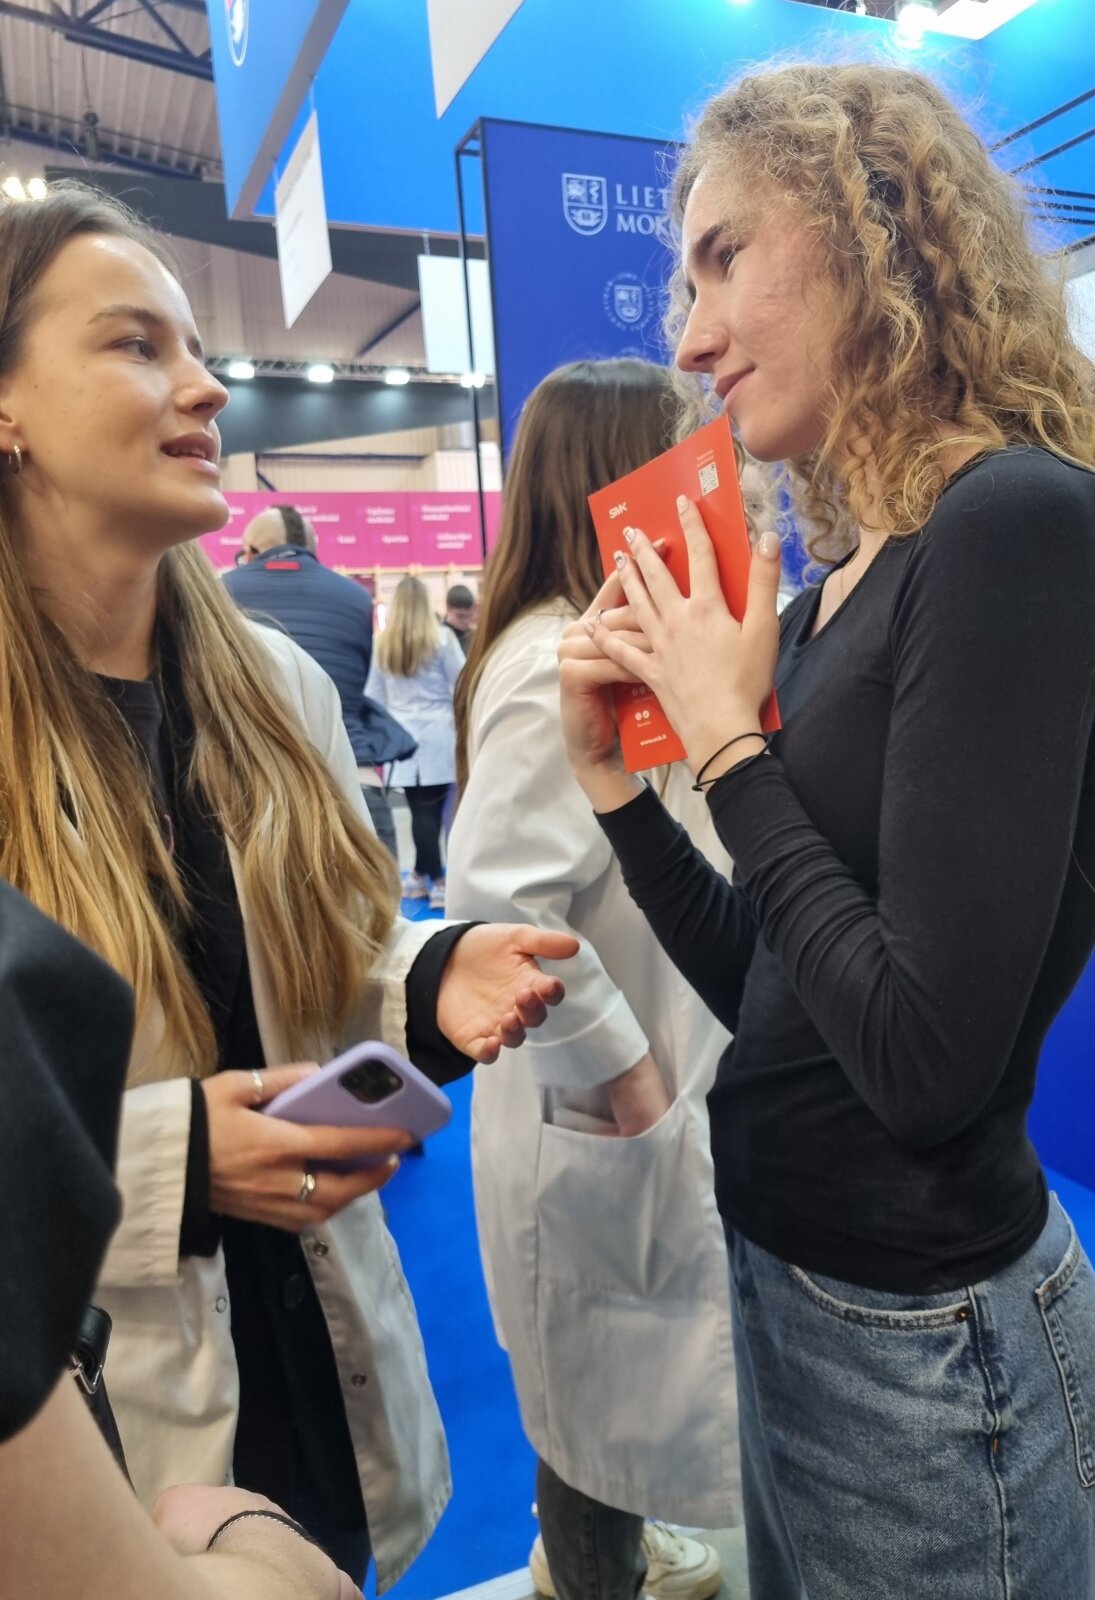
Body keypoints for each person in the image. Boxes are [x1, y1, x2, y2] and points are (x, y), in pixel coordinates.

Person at [557, 62, 1095, 1600]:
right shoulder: (840, 584)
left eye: (724, 258)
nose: (689, 336)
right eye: (684, 280)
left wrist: (728, 747)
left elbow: (921, 1063)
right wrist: (619, 790)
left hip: (927, 1347)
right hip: (801, 1287)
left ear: (876, 229)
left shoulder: (1015, 524)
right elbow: (778, 994)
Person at [0, 181, 577, 1593]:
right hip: (99, 1422)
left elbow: (333, 955)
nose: (204, 388)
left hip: (319, 1349)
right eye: (136, 344)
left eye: (197, 349)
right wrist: (175, 1163)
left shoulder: (271, 687)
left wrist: (430, 976)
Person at [449, 359, 734, 1600]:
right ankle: (585, 1575)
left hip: (641, 1078)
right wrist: (626, 1078)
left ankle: (607, 1548)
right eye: (685, 455)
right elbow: (500, 906)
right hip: (598, 1092)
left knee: (611, 1377)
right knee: (590, 1390)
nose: (715, 483)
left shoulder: (605, 636)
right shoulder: (545, 662)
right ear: (618, 476)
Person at [0, 877, 365, 1600]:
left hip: (295, 1333)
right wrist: (273, 1561)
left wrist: (428, 976)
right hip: (145, 1408)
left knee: (341, 1518)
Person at [223, 504, 411, 855]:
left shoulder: (220, 593)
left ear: (249, 552)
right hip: (356, 781)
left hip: (257, 792)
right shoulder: (356, 597)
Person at [367, 576, 464, 908]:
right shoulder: (443, 639)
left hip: (401, 738)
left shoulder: (382, 643)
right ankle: (438, 881)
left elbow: (373, 696)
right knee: (433, 813)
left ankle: (422, 875)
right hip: (440, 734)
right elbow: (460, 686)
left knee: (419, 810)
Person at [444, 582, 478, 653]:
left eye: (468, 616)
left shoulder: (471, 636)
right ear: (448, 609)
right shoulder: (441, 637)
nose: (465, 622)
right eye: (461, 616)